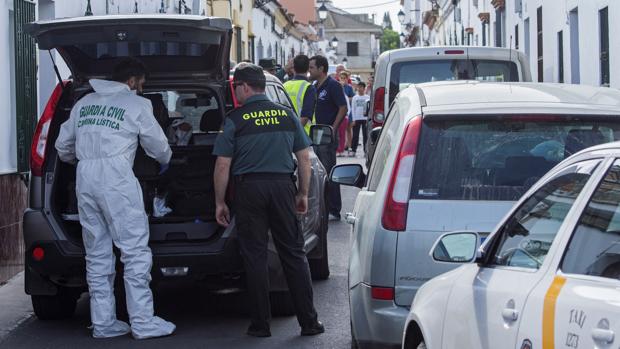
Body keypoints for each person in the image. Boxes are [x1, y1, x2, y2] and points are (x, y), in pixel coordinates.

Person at [55, 57, 176, 339]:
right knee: (133, 251)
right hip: (117, 178)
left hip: (85, 177)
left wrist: (83, 159)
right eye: (142, 85)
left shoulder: (84, 103)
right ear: (132, 81)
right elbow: (158, 146)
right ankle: (143, 322)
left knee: (96, 252)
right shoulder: (137, 104)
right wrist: (166, 161)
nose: (142, 90)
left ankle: (104, 323)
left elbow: (63, 147)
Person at [213, 63, 324, 338]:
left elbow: (223, 166)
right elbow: (304, 158)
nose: (235, 93)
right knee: (294, 254)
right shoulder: (287, 116)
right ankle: (309, 322)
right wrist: (301, 193)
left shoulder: (235, 120)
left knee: (255, 257)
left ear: (245, 87)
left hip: (249, 190)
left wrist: (220, 203)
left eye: (236, 88)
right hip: (282, 187)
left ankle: (261, 325)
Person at [309, 55, 347, 221]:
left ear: (321, 69)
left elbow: (343, 107)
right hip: (314, 134)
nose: (309, 71)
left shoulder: (333, 85)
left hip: (326, 135)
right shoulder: (314, 86)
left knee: (329, 172)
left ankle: (334, 209)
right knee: (316, 173)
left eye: (312, 67)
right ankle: (321, 207)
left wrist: (333, 128)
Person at [283, 54, 317, 135]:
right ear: (308, 68)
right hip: (303, 136)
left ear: (293, 68)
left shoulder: (284, 85)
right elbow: (305, 117)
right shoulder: (308, 87)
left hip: (285, 134)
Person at [351, 82, 370, 156]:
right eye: (358, 87)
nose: (360, 89)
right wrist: (353, 119)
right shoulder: (355, 97)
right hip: (357, 118)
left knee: (365, 135)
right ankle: (353, 150)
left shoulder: (367, 97)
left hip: (365, 118)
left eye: (361, 87)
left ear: (364, 88)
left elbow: (369, 108)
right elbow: (353, 108)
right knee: (355, 135)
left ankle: (366, 150)